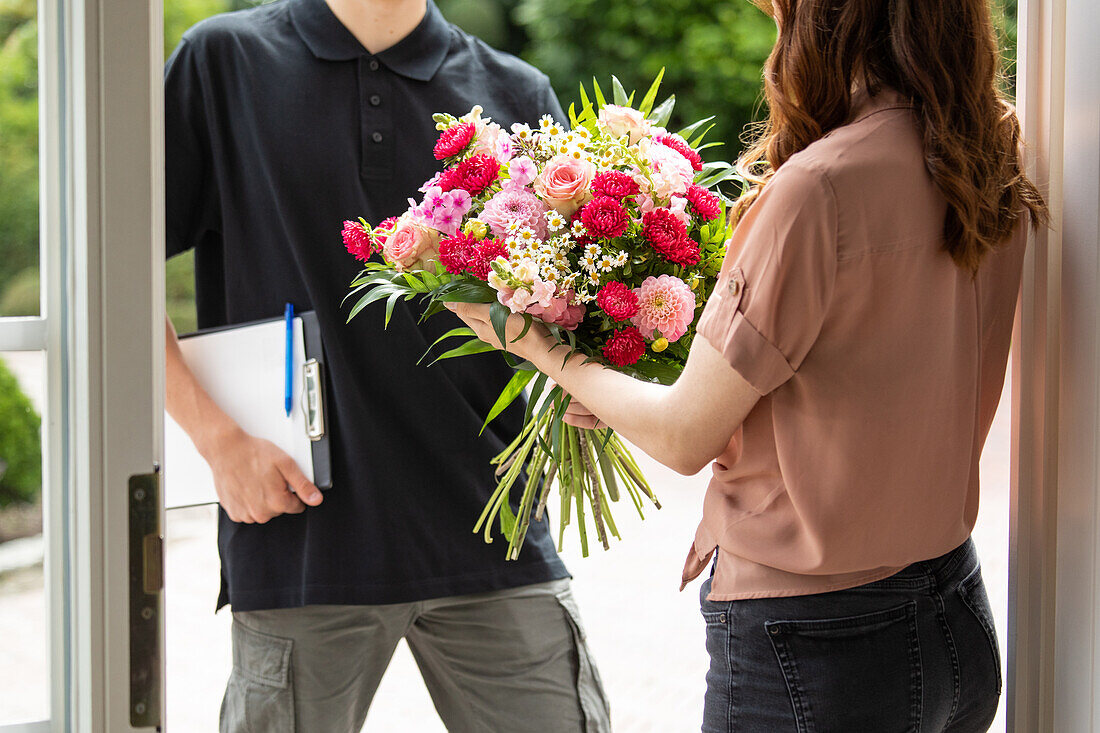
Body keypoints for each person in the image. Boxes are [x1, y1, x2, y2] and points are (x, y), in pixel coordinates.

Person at [450, 0, 1047, 730]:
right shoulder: (991, 142)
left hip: (817, 649)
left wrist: (534, 344)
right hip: (955, 616)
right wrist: (614, 385)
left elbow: (682, 436)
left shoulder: (815, 191)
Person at [163, 1, 611, 731]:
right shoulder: (225, 61)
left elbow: (571, 322)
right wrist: (216, 440)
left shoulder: (516, 93)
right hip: (300, 531)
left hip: (492, 527)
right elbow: (109, 261)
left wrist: (584, 391)